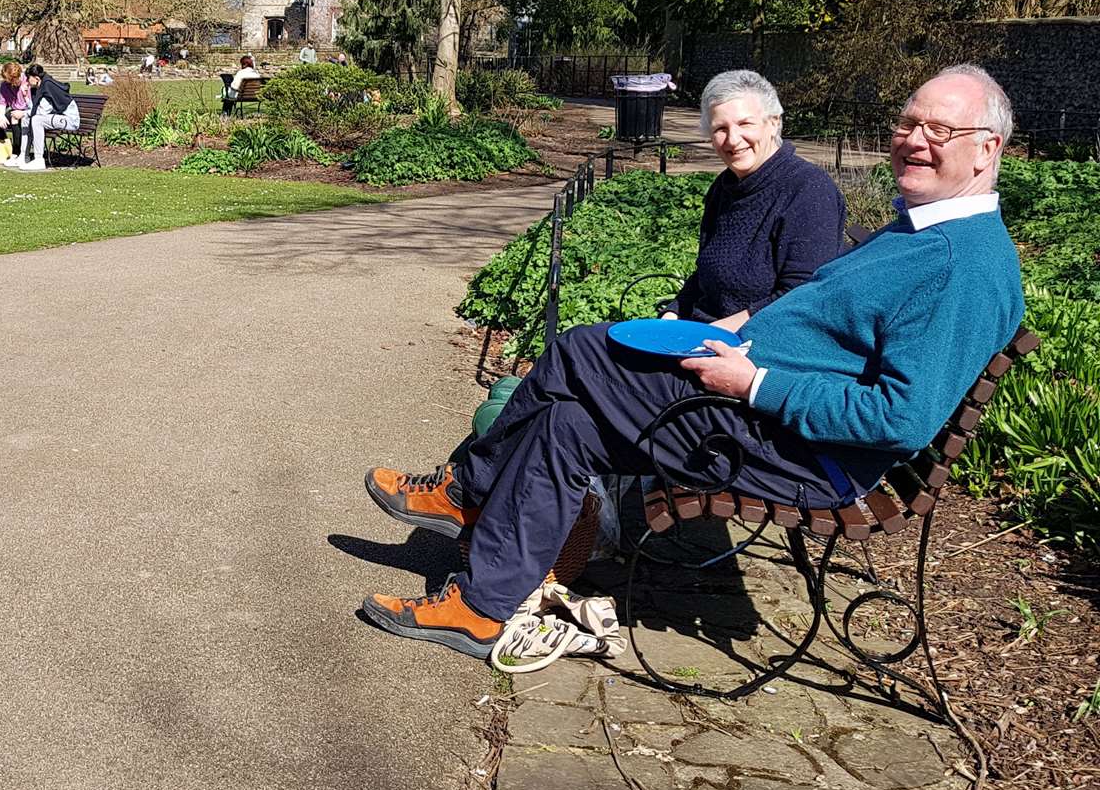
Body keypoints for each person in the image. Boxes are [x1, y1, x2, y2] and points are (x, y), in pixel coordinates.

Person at [356, 65, 1024, 661]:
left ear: (987, 147)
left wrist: (755, 379)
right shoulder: (924, 231)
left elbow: (901, 419)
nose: (913, 139)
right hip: (752, 414)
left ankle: (464, 489)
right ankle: (480, 609)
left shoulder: (958, 264)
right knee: (565, 424)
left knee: (580, 350)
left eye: (938, 129)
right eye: (908, 122)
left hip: (789, 449)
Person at [663, 70, 846, 331]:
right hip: (703, 332)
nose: (733, 139)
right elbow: (707, 274)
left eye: (745, 124)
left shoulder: (807, 189)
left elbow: (802, 295)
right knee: (590, 342)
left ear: (773, 123)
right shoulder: (725, 188)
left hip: (754, 347)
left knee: (585, 352)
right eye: (720, 129)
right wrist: (672, 314)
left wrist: (710, 334)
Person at [15, 63, 77, 171]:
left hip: (69, 120)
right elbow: (34, 108)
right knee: (28, 118)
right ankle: (24, 156)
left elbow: (42, 111)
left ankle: (39, 160)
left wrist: (23, 113)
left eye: (28, 78)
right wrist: (25, 97)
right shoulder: (40, 87)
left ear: (36, 78)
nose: (27, 82)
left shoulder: (48, 86)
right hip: (58, 117)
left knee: (36, 120)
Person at [0, 61, 31, 162]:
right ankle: (5, 147)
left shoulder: (27, 81)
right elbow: (1, 104)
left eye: (11, 80)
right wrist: (1, 116)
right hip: (14, 110)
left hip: (26, 111)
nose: (10, 83)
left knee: (14, 117)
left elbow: (32, 104)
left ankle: (16, 153)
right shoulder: (5, 85)